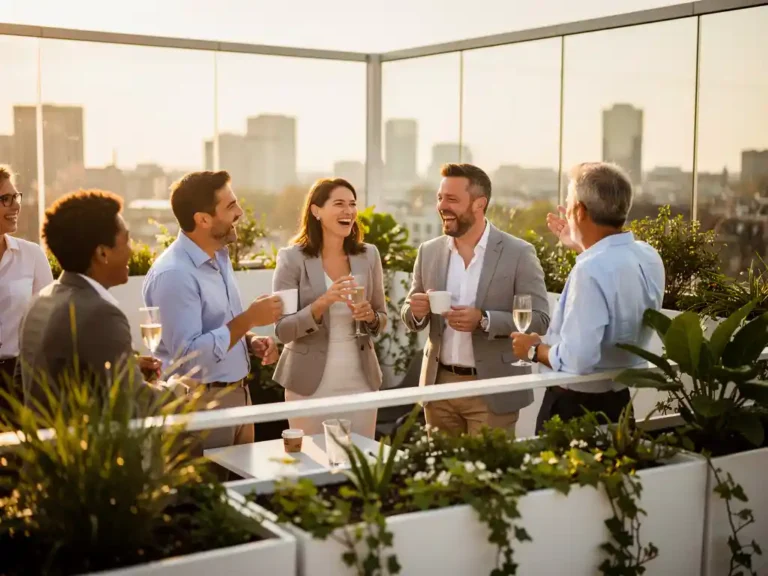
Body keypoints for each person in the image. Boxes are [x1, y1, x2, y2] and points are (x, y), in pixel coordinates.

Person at [511, 162, 665, 433]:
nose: (567, 211)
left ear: (580, 211)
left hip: (575, 410)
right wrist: (583, 244)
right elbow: (611, 261)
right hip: (619, 404)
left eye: (569, 204)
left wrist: (534, 350)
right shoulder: (648, 256)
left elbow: (578, 359)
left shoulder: (591, 269)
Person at [401, 163, 549, 436]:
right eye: (440, 197)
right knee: (441, 473)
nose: (442, 206)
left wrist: (484, 319)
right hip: (438, 388)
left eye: (452, 199)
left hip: (492, 388)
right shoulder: (429, 251)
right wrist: (416, 310)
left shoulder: (518, 253)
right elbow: (411, 312)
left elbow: (539, 319)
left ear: (479, 204)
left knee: (489, 474)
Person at [142, 171, 282, 449]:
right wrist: (249, 318)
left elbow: (219, 326)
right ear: (203, 219)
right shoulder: (174, 275)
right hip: (199, 406)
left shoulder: (218, 256)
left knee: (240, 488)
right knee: (207, 491)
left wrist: (249, 338)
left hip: (239, 397)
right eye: (230, 206)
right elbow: (189, 358)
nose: (240, 212)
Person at [17, 190, 158, 409]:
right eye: (127, 239)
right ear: (102, 253)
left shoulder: (39, 302)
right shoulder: (100, 314)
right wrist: (180, 389)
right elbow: (136, 403)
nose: (132, 250)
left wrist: (130, 367)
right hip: (89, 443)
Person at [272, 178, 386, 438]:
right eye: (339, 204)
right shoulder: (292, 259)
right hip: (308, 384)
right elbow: (283, 329)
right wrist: (323, 302)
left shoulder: (368, 255)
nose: (349, 211)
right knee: (310, 466)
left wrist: (371, 317)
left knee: (359, 462)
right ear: (316, 211)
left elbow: (382, 317)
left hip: (361, 381)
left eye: (352, 204)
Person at [0, 166, 53, 411]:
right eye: (5, 199)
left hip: (20, 379)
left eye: (16, 196)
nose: (15, 205)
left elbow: (50, 321)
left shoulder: (31, 254)